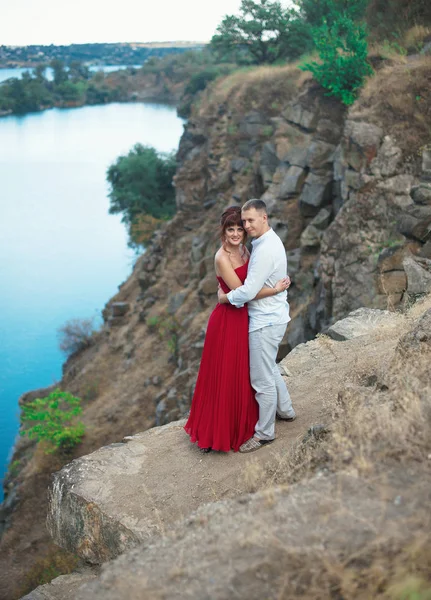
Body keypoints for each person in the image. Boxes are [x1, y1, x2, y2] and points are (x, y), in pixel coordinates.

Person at [184, 206, 290, 453]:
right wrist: (276, 289)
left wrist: (276, 282)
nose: (235, 234)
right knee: (224, 374)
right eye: (230, 229)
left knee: (243, 373)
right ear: (223, 231)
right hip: (228, 320)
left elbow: (252, 284)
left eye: (239, 229)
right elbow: (245, 293)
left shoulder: (247, 249)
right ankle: (218, 431)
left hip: (245, 317)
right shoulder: (222, 257)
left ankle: (257, 419)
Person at [217, 199, 295, 453]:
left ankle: (264, 434)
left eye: (250, 221)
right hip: (273, 316)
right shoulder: (265, 242)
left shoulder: (263, 249)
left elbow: (248, 290)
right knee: (269, 367)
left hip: (264, 321)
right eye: (243, 221)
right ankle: (286, 411)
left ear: (264, 217)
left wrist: (225, 298)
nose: (246, 226)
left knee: (261, 380)